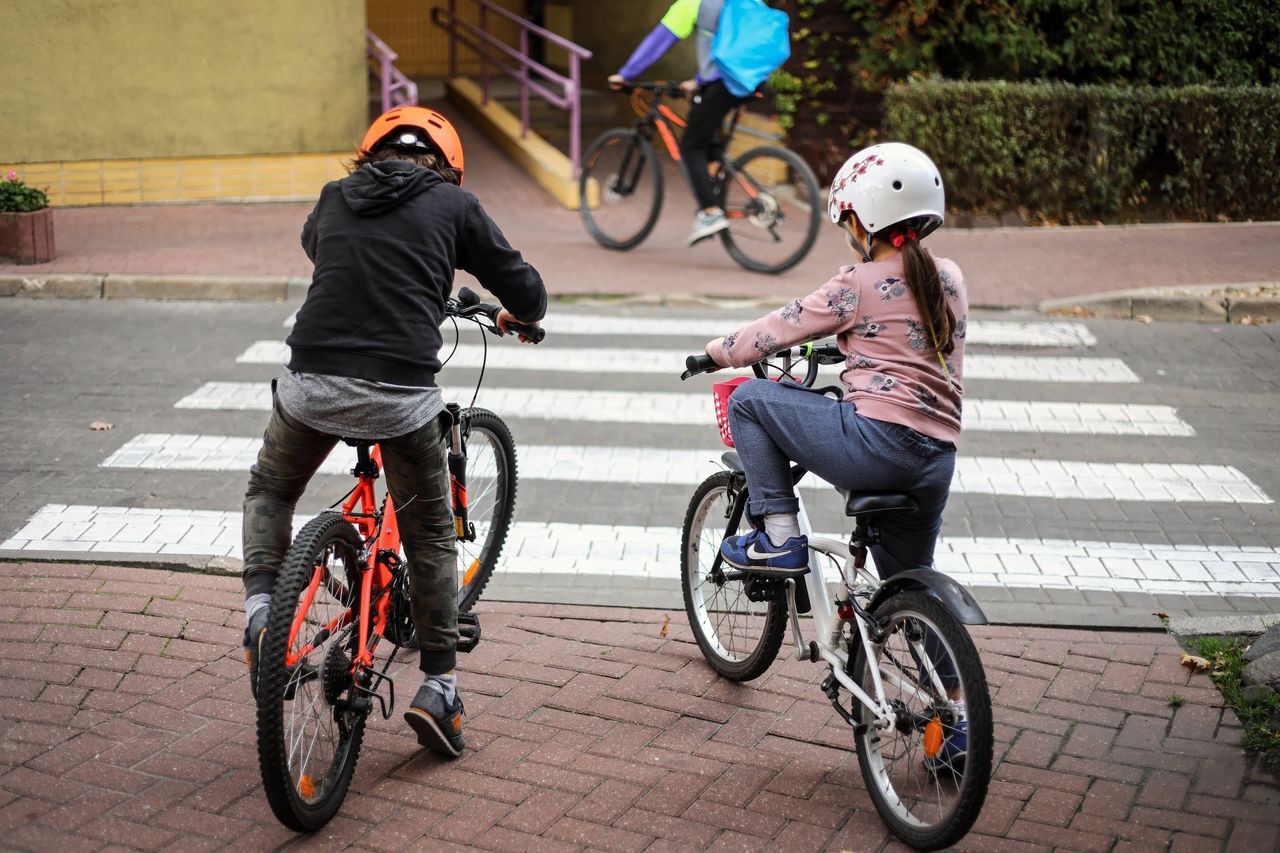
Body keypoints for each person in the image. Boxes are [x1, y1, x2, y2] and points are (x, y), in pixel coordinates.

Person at [241, 106, 546, 759]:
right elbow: (527, 288)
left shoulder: (333, 197)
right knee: (430, 535)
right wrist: (518, 310)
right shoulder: (454, 206)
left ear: (369, 155)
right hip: (399, 393)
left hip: (311, 379)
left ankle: (261, 618)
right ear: (449, 167)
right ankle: (438, 687)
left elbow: (321, 248)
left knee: (270, 492)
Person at [705, 142, 965, 581]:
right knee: (908, 585)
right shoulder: (950, 277)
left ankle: (781, 538)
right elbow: (905, 338)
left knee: (749, 400)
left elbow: (782, 326)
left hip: (877, 446)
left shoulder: (857, 283)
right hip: (936, 459)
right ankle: (924, 639)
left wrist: (718, 352)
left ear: (863, 221)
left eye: (847, 220)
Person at [608, 0, 748, 246]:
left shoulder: (693, 3)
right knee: (704, 125)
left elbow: (658, 41)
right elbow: (728, 47)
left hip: (722, 84)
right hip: (749, 80)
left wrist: (626, 74)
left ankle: (710, 213)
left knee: (690, 147)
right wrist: (697, 79)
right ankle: (715, 178)